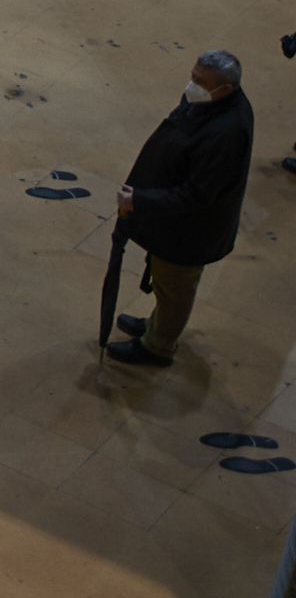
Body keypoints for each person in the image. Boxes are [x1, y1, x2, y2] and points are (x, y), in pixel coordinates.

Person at [104, 53, 255, 366]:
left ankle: (158, 346)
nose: (192, 85)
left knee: (175, 288)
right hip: (174, 222)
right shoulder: (212, 103)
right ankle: (157, 327)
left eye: (201, 81)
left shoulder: (226, 132)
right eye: (193, 75)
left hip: (190, 231)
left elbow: (197, 195)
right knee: (166, 283)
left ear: (225, 88)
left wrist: (141, 202)